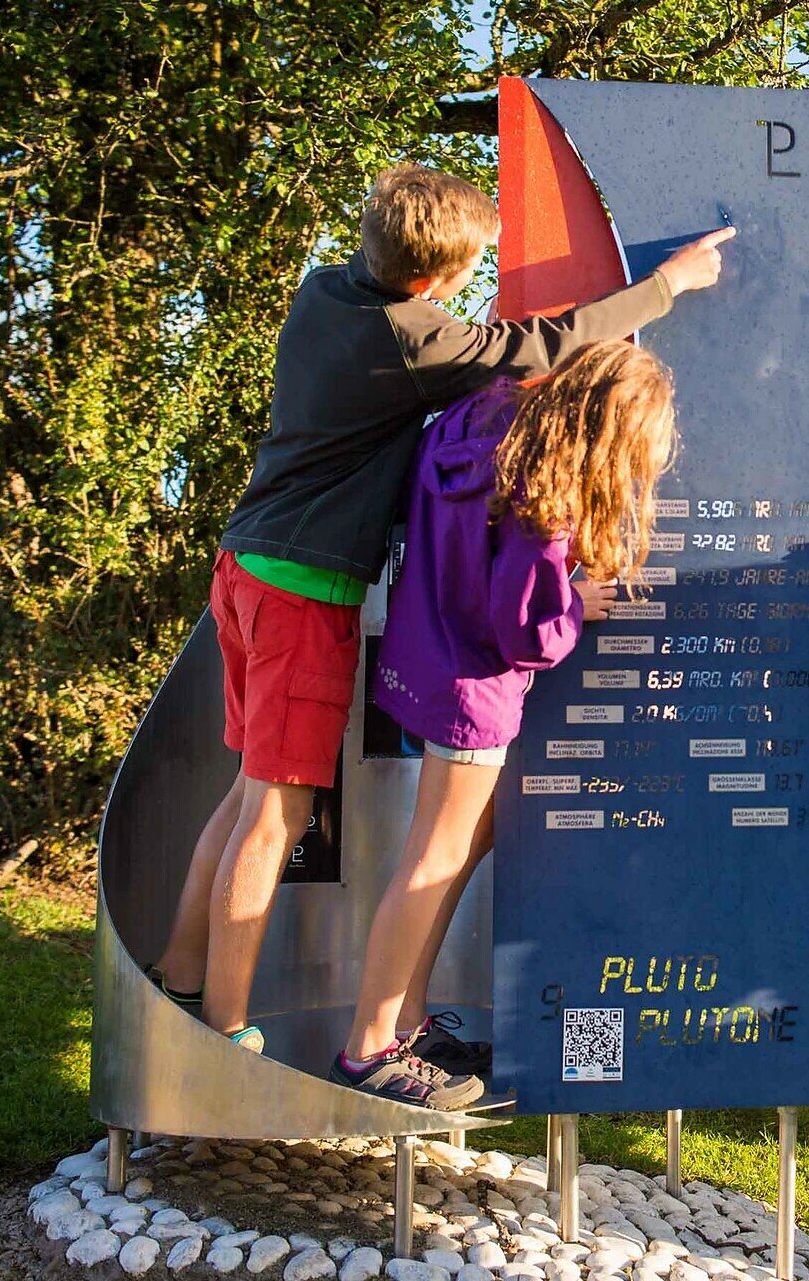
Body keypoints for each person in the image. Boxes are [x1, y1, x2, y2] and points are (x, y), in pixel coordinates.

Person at [144, 165, 731, 1058]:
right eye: (469, 273)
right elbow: (536, 347)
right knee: (277, 816)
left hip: (248, 560)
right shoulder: (416, 340)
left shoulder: (326, 291)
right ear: (430, 279)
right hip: (304, 590)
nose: (475, 293)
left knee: (247, 797)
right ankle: (225, 1037)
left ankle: (179, 981)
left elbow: (504, 356)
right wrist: (665, 287)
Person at [331, 340, 674, 1106]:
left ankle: (407, 1021)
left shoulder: (478, 418)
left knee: (461, 840)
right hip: (476, 689)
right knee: (433, 859)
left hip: (424, 655)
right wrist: (576, 605)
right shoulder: (546, 487)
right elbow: (526, 631)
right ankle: (367, 1050)